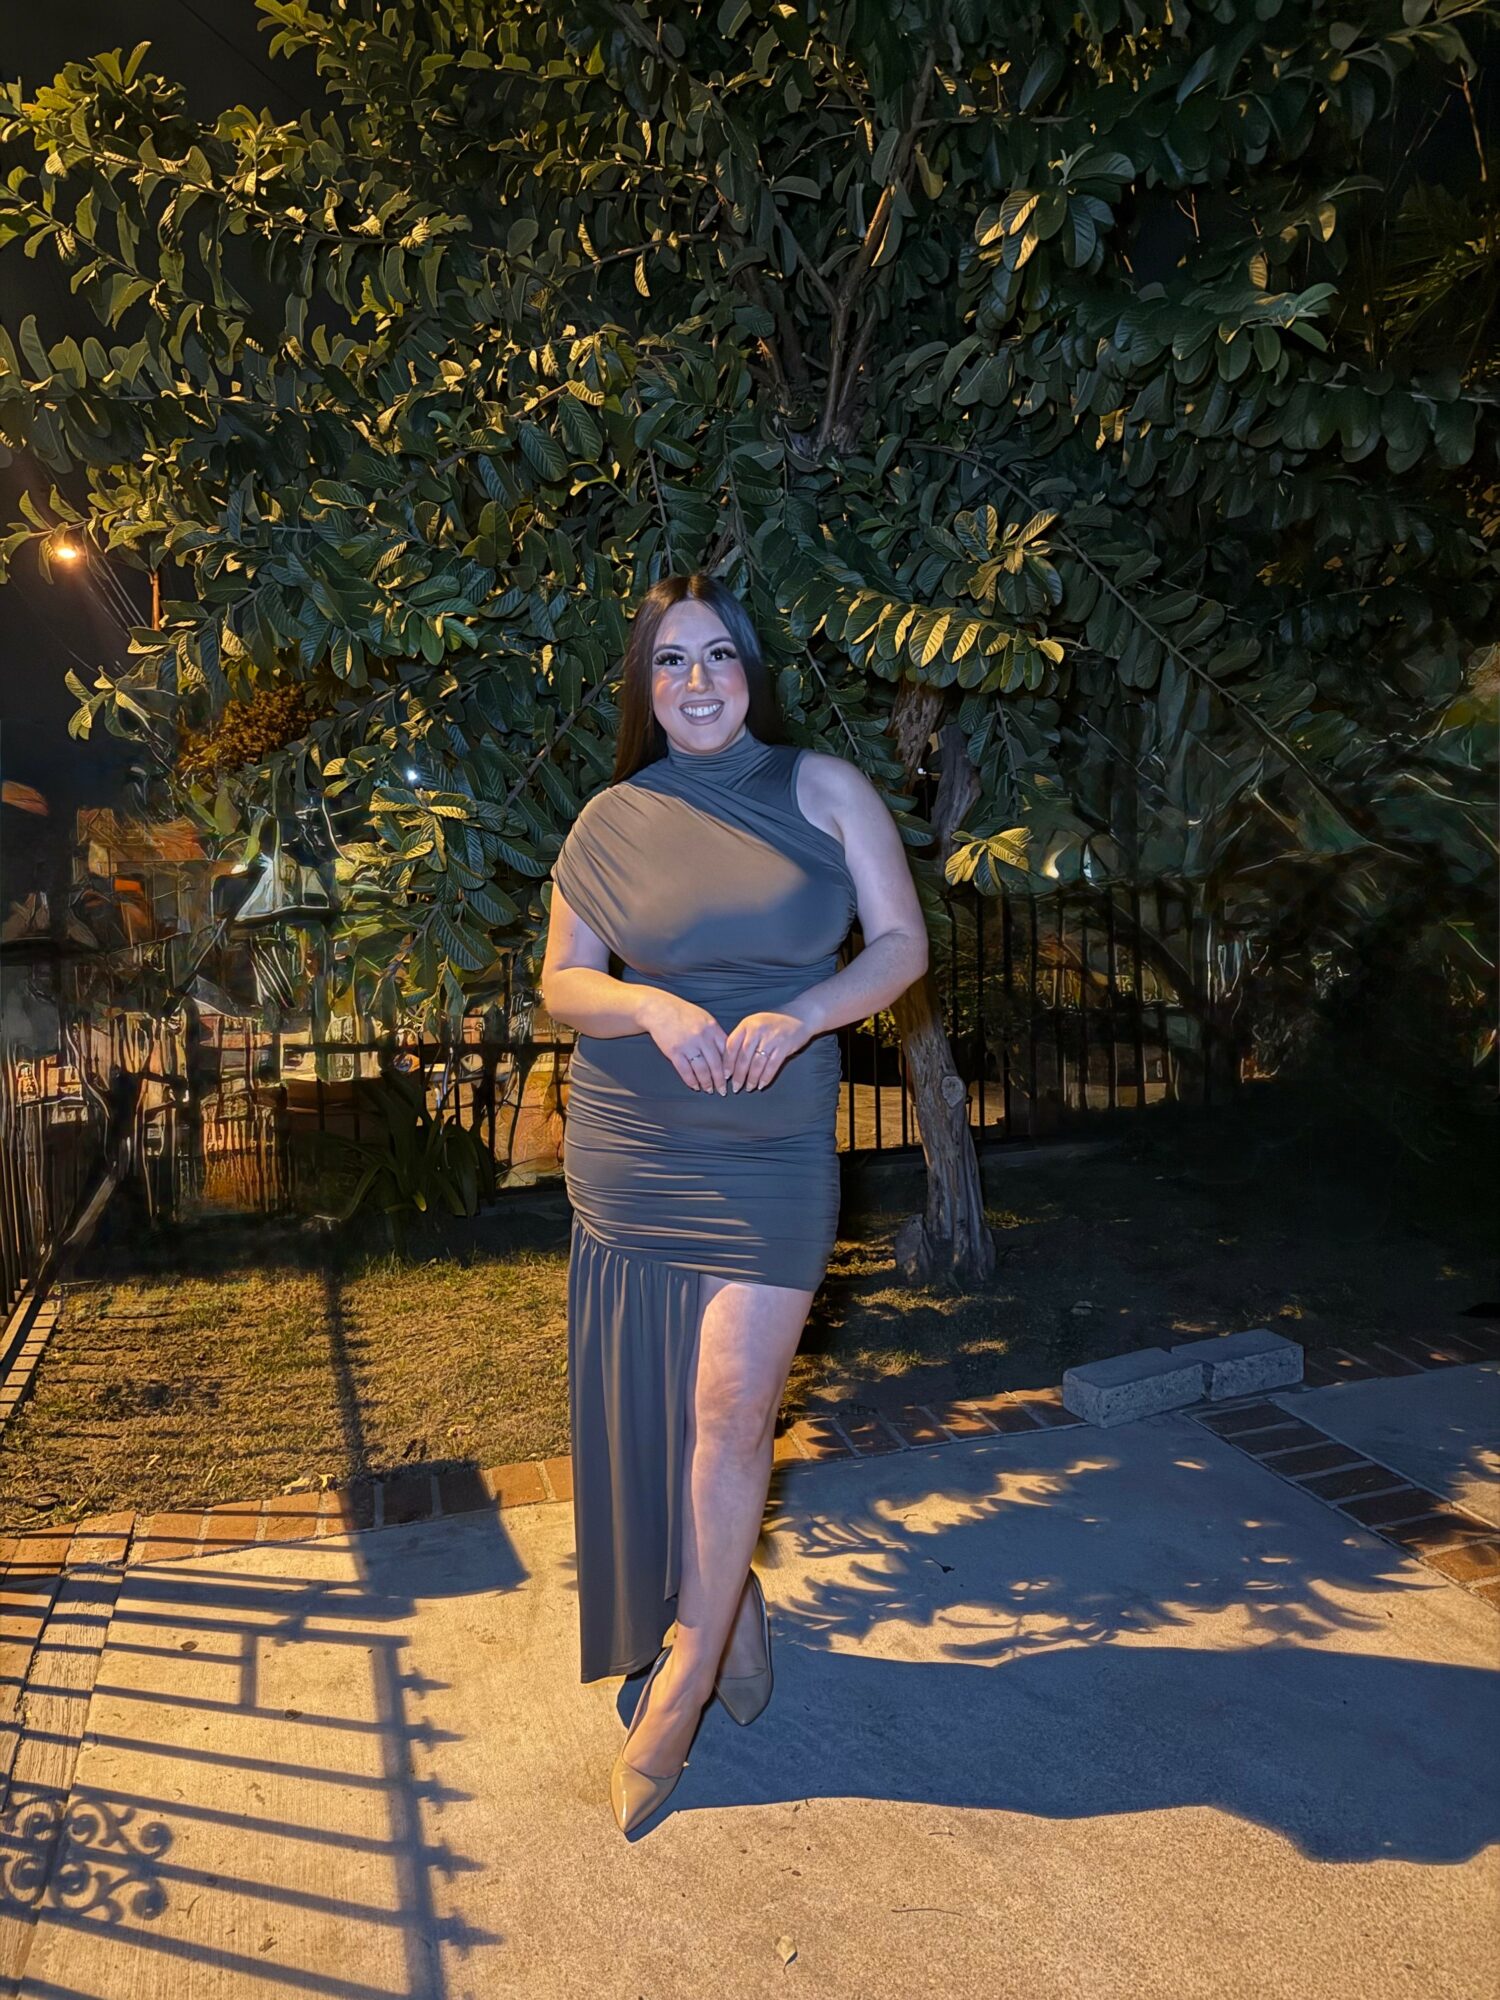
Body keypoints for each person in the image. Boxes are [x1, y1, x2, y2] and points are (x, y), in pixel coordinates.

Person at [540, 572, 928, 1834]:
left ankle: (683, 1685)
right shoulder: (611, 817)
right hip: (634, 1138)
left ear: (750, 671)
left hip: (769, 1146)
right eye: (669, 661)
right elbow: (564, 983)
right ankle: (735, 1612)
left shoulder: (823, 789)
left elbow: (900, 944)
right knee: (664, 1415)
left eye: (717, 656)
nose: (696, 681)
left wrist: (801, 1010)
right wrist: (648, 1003)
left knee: (728, 1408)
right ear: (643, 685)